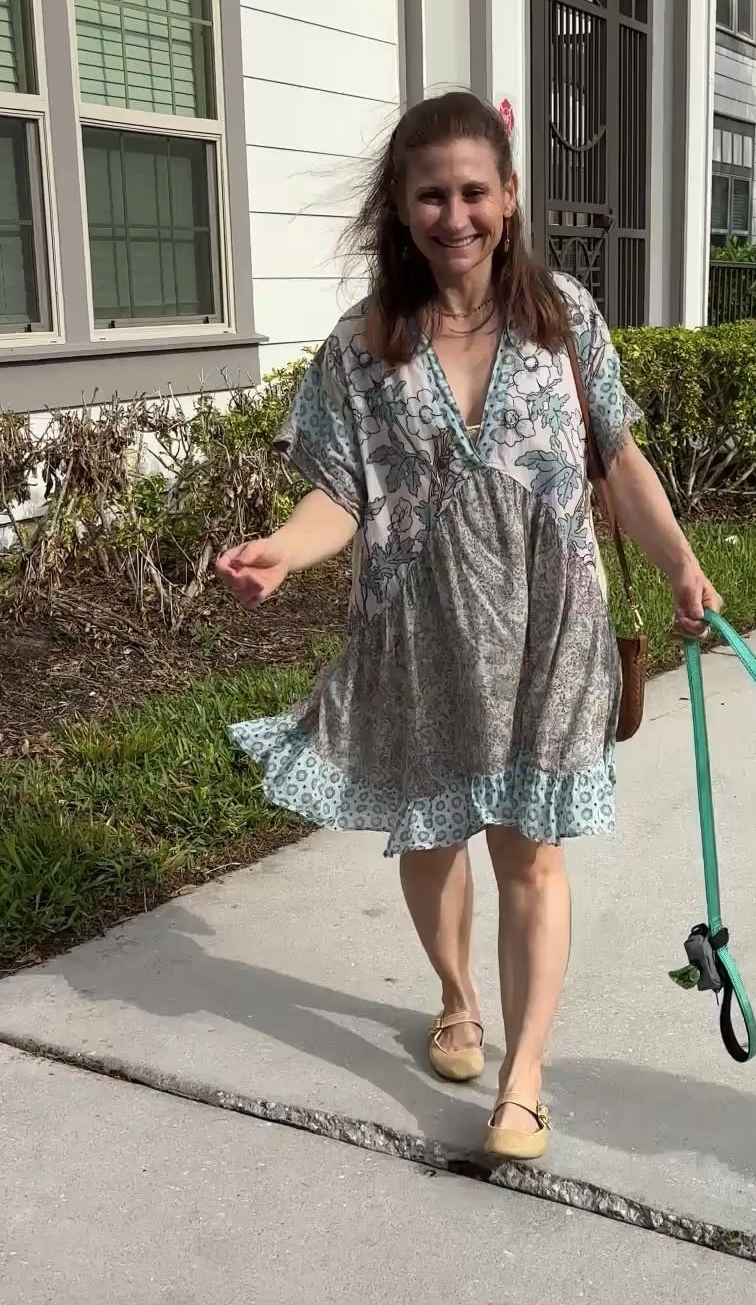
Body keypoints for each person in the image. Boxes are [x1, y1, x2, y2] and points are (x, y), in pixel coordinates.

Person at [217, 90, 720, 1161]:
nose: (456, 216)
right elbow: (341, 498)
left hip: (547, 628)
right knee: (434, 833)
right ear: (400, 209)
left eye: (474, 192)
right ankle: (456, 997)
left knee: (529, 853)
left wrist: (682, 565)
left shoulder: (566, 319)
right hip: (424, 631)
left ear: (510, 196)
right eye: (431, 195)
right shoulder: (363, 347)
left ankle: (525, 1078)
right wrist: (281, 550)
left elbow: (616, 457)